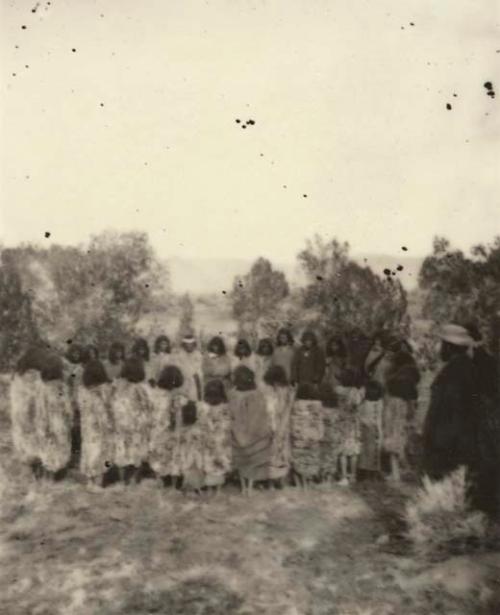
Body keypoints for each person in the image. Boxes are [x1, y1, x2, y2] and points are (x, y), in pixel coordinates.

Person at [423, 324, 476, 481]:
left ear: (449, 347)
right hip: (461, 439)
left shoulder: (452, 372)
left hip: (448, 441)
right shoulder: (468, 367)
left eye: (441, 344)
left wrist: (433, 438)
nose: (439, 349)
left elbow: (446, 410)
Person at [465, 323, 500, 518]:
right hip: (489, 415)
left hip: (484, 415)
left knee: (484, 459)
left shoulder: (478, 360)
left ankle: (484, 506)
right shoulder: (489, 359)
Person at [229, 366, 273, 496]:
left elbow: (231, 412)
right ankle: (250, 486)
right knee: (253, 461)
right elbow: (260, 415)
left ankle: (243, 487)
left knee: (241, 460)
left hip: (238, 431)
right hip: (253, 432)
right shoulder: (256, 394)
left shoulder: (233, 393)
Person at [382, 338, 420, 482]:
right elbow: (413, 394)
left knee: (393, 438)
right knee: (405, 438)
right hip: (405, 407)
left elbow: (389, 390)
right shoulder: (411, 374)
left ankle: (396, 471)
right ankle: (407, 469)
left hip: (394, 407)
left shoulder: (394, 375)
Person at [111, 357, 153, 484]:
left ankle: (123, 479)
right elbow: (150, 405)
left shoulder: (117, 384)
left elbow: (111, 401)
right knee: (137, 450)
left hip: (121, 422)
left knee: (121, 450)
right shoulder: (143, 387)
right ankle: (135, 479)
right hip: (137, 424)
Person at [78, 359, 113, 486]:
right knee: (101, 450)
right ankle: (99, 481)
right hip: (101, 423)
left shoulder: (82, 389)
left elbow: (81, 406)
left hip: (88, 424)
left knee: (89, 449)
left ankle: (90, 481)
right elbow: (109, 405)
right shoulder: (105, 388)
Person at [149, 365, 185, 486]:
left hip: (158, 428)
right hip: (171, 429)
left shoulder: (155, 394)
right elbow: (178, 415)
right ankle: (174, 483)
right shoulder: (177, 396)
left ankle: (159, 478)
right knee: (173, 454)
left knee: (159, 455)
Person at [262, 365, 295, 485]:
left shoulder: (270, 390)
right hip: (284, 421)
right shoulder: (289, 389)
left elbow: (269, 408)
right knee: (283, 448)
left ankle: (273, 479)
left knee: (274, 450)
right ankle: (282, 478)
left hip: (275, 421)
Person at [199, 379, 232, 493]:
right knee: (220, 464)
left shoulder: (203, 406)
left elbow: (201, 424)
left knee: (208, 463)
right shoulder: (225, 407)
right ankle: (218, 489)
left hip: (208, 440)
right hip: (220, 439)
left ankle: (209, 488)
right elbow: (228, 424)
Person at [291, 331, 325, 399]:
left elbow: (320, 367)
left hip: (312, 381)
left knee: (313, 398)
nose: (308, 342)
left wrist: (316, 380)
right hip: (301, 380)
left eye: (310, 340)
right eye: (306, 340)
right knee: (301, 399)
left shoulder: (318, 351)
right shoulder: (299, 350)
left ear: (313, 341)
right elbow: (295, 365)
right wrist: (295, 379)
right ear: (303, 341)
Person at [172, 332, 203, 401]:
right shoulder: (179, 355)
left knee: (193, 401)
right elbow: (178, 368)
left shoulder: (198, 355)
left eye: (191, 344)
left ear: (194, 345)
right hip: (182, 382)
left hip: (193, 383)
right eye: (187, 344)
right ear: (184, 345)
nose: (189, 346)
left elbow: (198, 370)